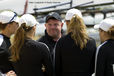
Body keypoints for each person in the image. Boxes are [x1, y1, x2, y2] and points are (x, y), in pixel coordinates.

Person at [0, 11, 19, 75]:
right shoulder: (1, 41)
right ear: (9, 25)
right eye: (16, 23)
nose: (18, 25)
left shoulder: (7, 40)